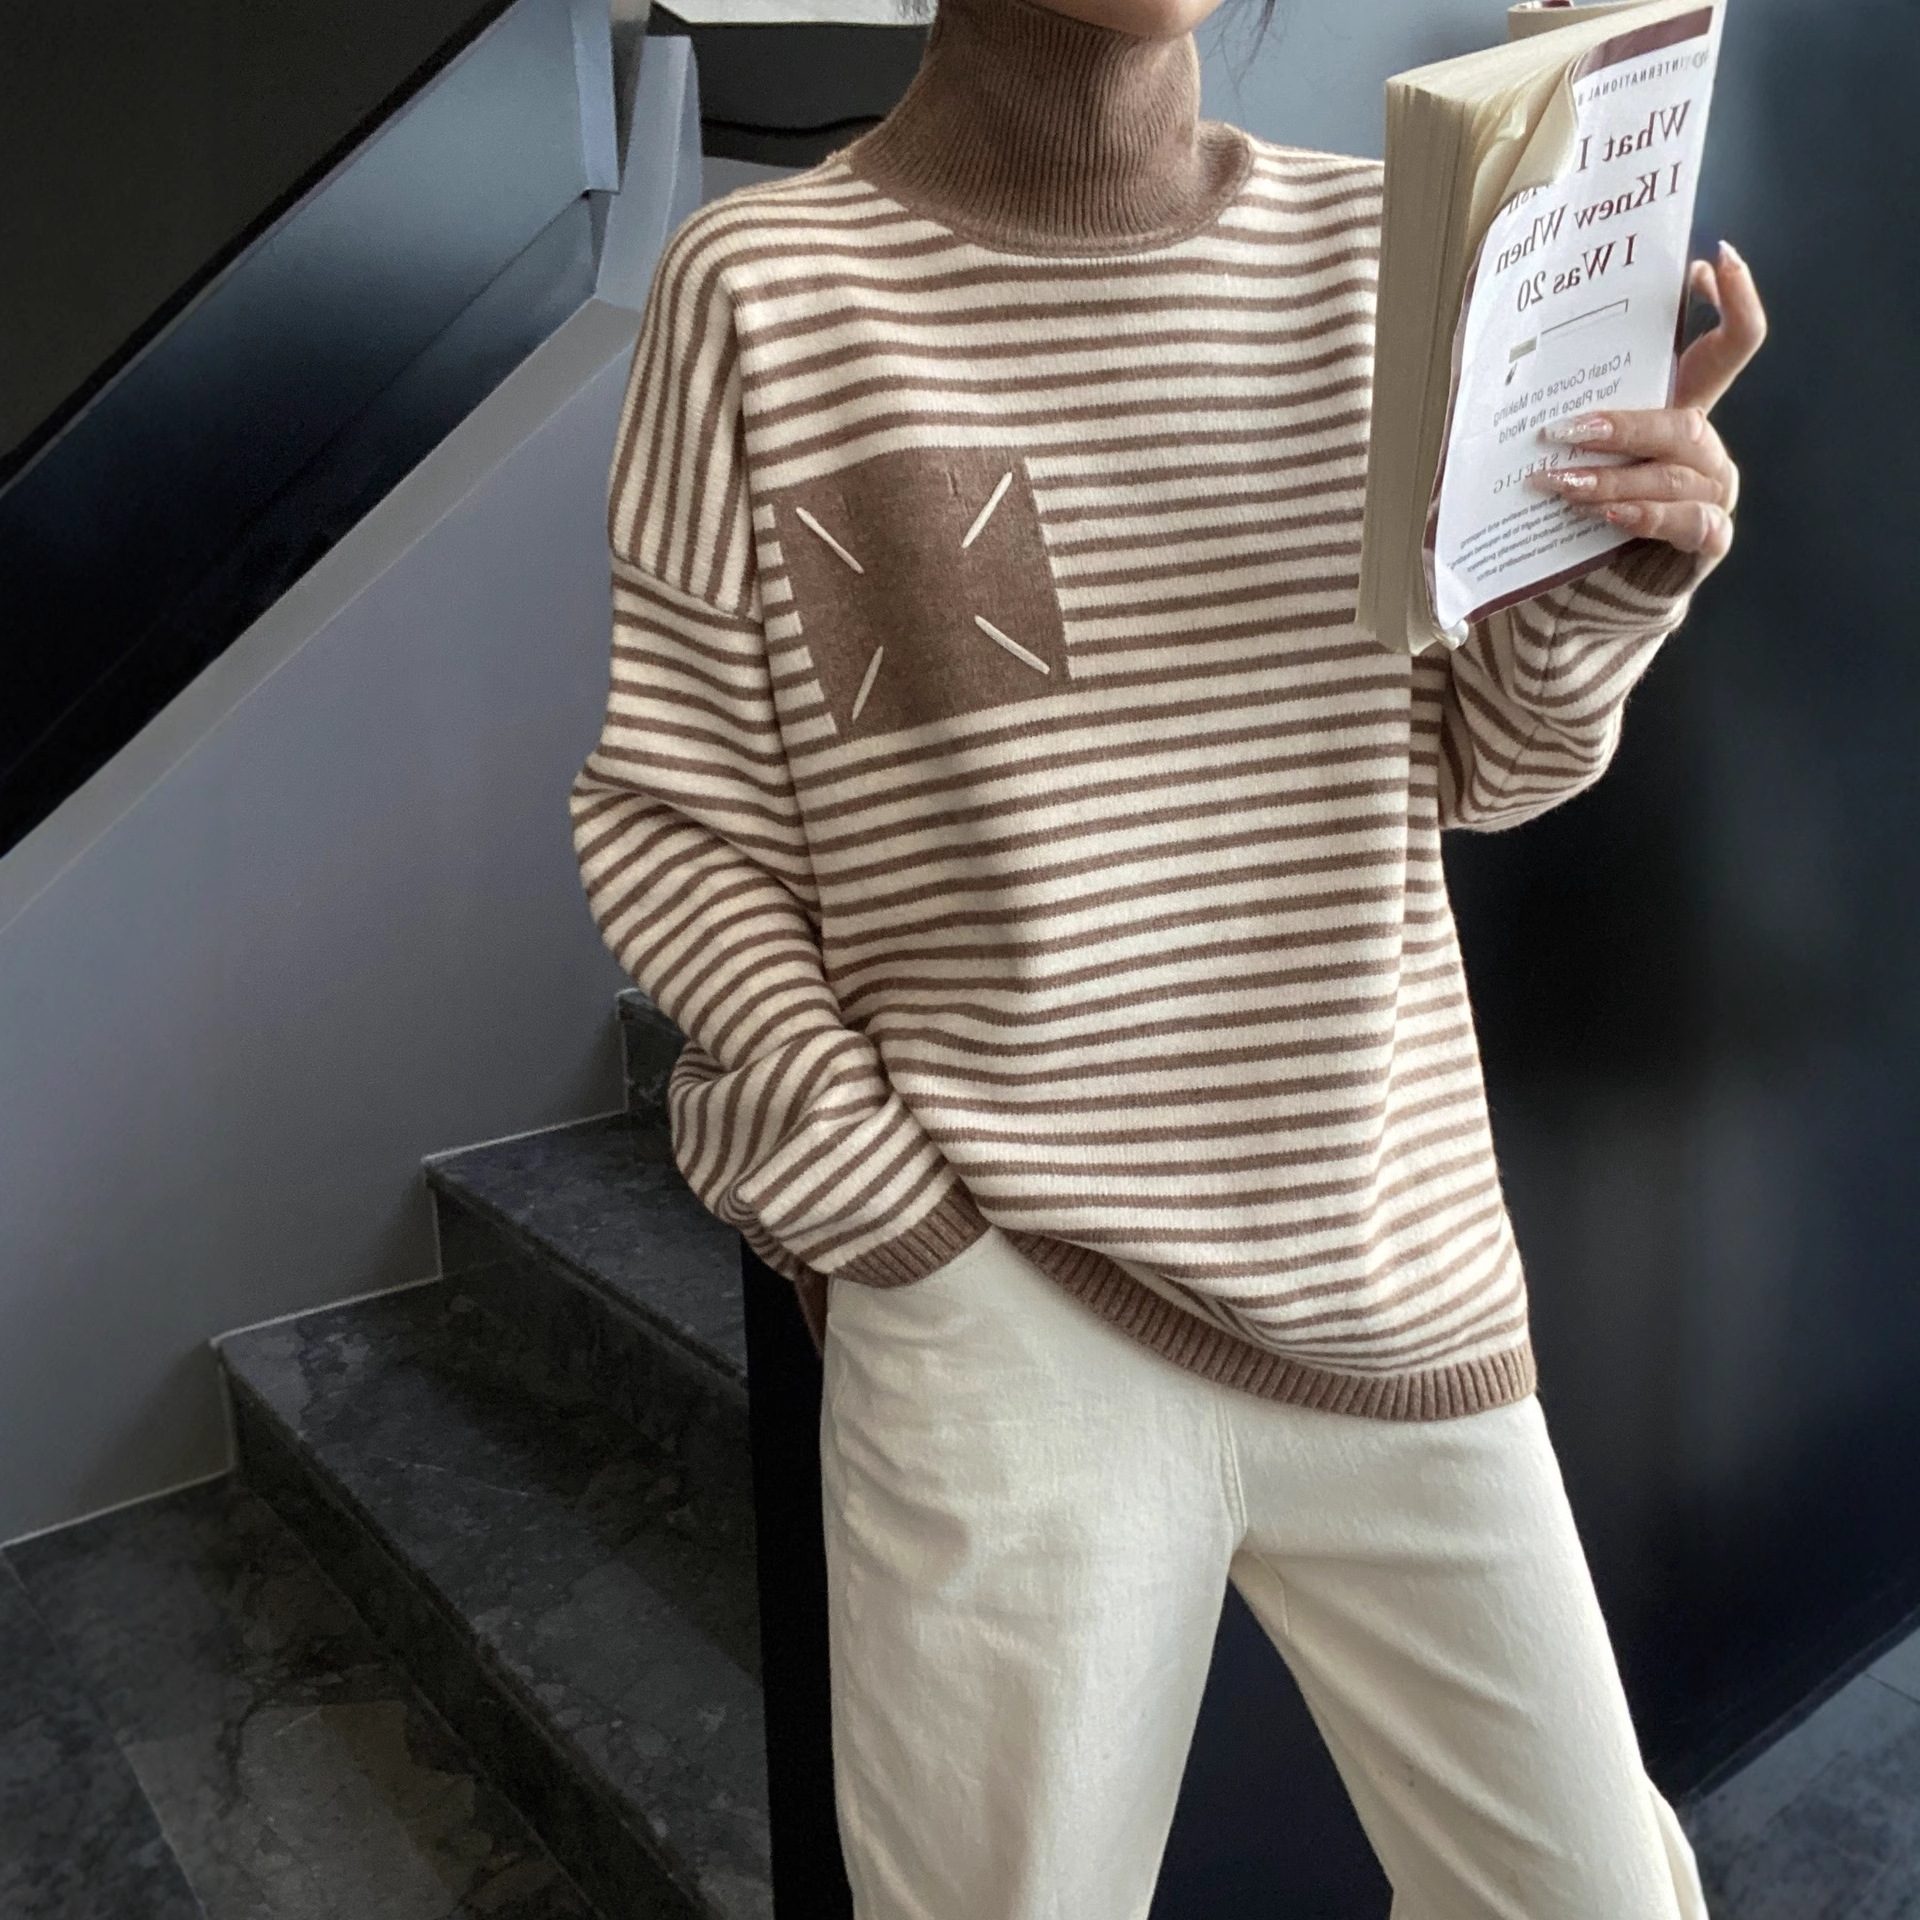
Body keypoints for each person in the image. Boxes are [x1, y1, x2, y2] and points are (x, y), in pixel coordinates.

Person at [568, 0, 1767, 1909]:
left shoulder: (1382, 257)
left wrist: (1612, 579)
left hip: (1391, 1269)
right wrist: (896, 1230)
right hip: (1004, 1313)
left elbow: (1486, 761)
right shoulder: (768, 290)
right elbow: (679, 819)